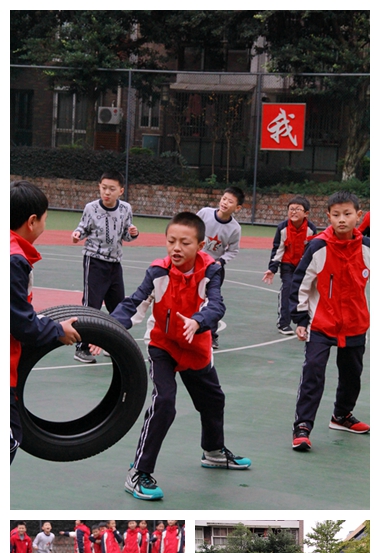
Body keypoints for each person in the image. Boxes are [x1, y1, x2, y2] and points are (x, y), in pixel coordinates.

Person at [110, 211, 251, 500]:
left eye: (184, 243)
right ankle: (138, 472)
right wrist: (109, 329)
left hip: (195, 344)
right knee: (164, 402)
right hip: (163, 346)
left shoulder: (211, 270)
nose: (176, 248)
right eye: (171, 241)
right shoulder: (157, 272)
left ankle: (213, 451)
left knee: (214, 399)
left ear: (200, 245)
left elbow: (216, 304)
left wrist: (198, 321)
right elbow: (134, 303)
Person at [289, 192, 370, 452]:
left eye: (347, 214)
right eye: (336, 215)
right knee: (313, 372)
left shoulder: (368, 248)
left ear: (359, 216)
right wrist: (301, 318)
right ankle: (302, 426)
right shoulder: (318, 247)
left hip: (355, 324)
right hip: (321, 324)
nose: (341, 219)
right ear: (328, 217)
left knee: (352, 375)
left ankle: (341, 416)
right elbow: (300, 283)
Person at [11, 181, 80, 463]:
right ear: (32, 221)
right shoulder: (14, 260)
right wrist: (57, 330)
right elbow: (20, 323)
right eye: (45, 218)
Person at [71, 170, 139, 363]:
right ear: (99, 187)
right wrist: (77, 234)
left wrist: (133, 233)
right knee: (91, 305)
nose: (107, 192)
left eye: (112, 189)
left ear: (121, 191)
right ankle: (82, 347)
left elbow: (126, 235)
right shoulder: (91, 208)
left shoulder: (125, 209)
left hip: (115, 263)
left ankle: (113, 343)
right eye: (104, 188)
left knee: (117, 305)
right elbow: (83, 227)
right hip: (94, 261)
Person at [196, 187, 244, 350]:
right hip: (195, 263)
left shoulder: (235, 228)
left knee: (211, 301)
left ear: (237, 208)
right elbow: (191, 228)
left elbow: (233, 250)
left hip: (214, 268)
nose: (225, 203)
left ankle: (212, 335)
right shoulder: (205, 213)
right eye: (224, 199)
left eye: (230, 201)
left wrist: (220, 262)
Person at [262, 196, 318, 336]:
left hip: (304, 266)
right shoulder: (283, 228)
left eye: (298, 209)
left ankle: (305, 322)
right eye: (291, 209)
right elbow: (278, 249)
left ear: (306, 213)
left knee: (306, 292)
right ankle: (283, 323)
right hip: (288, 265)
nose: (293, 212)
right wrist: (272, 268)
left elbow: (312, 250)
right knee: (287, 290)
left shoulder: (311, 229)